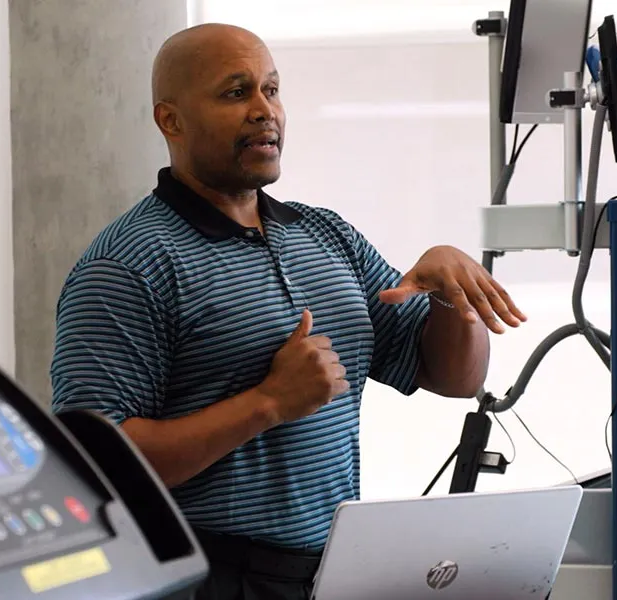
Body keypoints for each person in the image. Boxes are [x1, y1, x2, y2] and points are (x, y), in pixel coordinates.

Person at [50, 22, 527, 600]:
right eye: (236, 92)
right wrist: (268, 402)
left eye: (271, 90)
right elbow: (95, 468)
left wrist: (454, 298)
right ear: (170, 120)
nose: (263, 110)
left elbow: (454, 377)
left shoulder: (324, 234)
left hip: (331, 568)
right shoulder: (128, 264)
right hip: (206, 576)